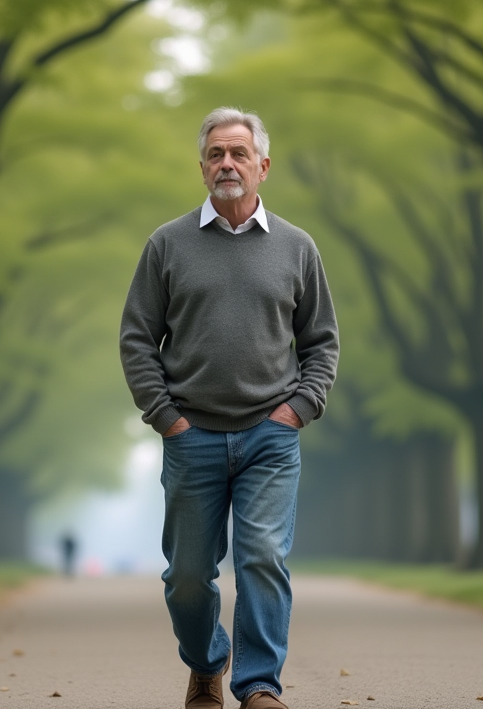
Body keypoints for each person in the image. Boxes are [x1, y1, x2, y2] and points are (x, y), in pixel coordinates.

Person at [120, 107, 339, 709]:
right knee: (188, 579)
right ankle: (206, 662)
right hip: (191, 434)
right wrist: (166, 417)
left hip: (272, 433)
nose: (227, 164)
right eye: (216, 154)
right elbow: (138, 338)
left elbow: (321, 341)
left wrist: (300, 408)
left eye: (239, 153)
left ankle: (260, 685)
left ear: (263, 166)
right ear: (201, 167)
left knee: (263, 558)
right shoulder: (167, 244)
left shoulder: (297, 247)